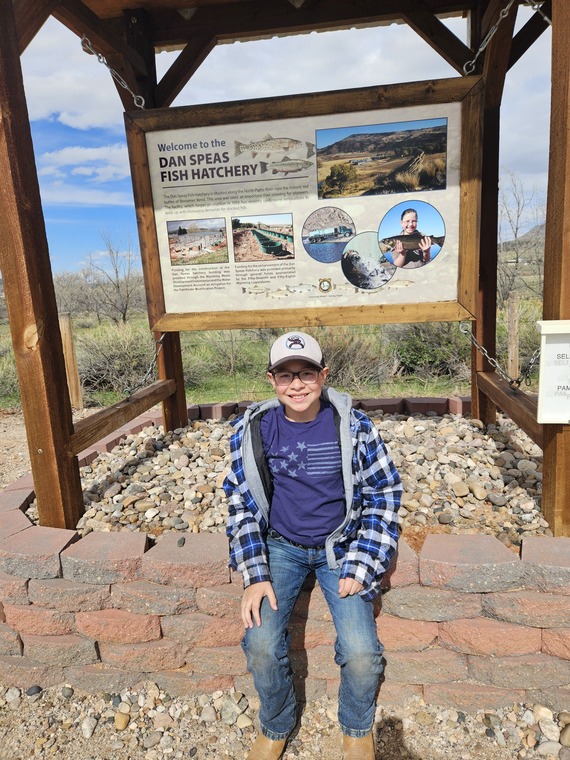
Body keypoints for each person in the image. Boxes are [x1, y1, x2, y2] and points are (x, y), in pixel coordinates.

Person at [224, 331, 402, 760]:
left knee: (361, 651)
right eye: (286, 375)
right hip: (280, 546)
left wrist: (362, 563)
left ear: (324, 375)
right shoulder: (253, 430)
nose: (297, 384)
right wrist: (255, 572)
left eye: (306, 373)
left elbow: (384, 492)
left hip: (341, 546)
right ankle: (276, 722)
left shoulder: (353, 427)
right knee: (262, 643)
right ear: (271, 380)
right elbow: (239, 499)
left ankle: (357, 727)